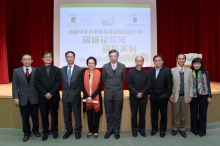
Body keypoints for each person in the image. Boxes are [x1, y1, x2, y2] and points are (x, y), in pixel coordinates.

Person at [12, 54, 41, 142]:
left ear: (32, 61)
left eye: (29, 59)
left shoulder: (36, 70)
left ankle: (35, 131)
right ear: (22, 61)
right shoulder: (16, 71)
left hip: (34, 97)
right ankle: (26, 133)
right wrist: (15, 98)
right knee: (24, 117)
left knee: (35, 116)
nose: (27, 61)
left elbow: (39, 85)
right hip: (22, 98)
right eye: (25, 59)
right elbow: (14, 86)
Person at [34, 51, 61, 141]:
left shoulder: (57, 70)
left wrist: (51, 93)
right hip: (42, 97)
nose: (48, 58)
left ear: (52, 59)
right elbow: (37, 84)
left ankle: (54, 130)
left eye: (50, 57)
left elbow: (58, 83)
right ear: (42, 59)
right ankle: (45, 131)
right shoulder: (38, 70)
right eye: (46, 57)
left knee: (54, 115)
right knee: (44, 115)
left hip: (54, 97)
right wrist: (45, 93)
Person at [102, 49, 126, 139]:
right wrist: (110, 86)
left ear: (117, 57)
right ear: (109, 57)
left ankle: (116, 131)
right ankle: (109, 131)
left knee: (117, 113)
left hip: (118, 93)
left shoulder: (122, 66)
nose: (113, 58)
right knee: (108, 114)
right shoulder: (105, 66)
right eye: (111, 56)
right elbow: (104, 79)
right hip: (108, 93)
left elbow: (123, 79)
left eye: (114, 56)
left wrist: (116, 86)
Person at [60, 51, 83, 139]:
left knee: (77, 115)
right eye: (68, 57)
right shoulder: (62, 70)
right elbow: (62, 82)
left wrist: (77, 92)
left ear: (74, 58)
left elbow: (81, 84)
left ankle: (77, 131)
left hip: (75, 96)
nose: (69, 58)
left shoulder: (79, 69)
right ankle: (69, 130)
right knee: (66, 115)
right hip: (66, 96)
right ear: (66, 58)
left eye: (71, 57)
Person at [149, 55, 173, 138]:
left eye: (159, 60)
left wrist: (167, 95)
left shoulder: (167, 70)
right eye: (156, 60)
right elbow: (149, 84)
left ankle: (163, 129)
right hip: (154, 96)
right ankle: (154, 129)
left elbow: (170, 85)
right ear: (154, 62)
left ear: (162, 61)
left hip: (163, 97)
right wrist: (149, 93)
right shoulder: (151, 71)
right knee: (154, 114)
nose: (157, 62)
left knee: (163, 114)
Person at [170, 54, 193, 138]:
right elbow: (170, 84)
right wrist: (171, 95)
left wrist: (190, 95)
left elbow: (191, 84)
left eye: (183, 59)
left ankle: (182, 129)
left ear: (185, 60)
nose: (181, 60)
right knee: (175, 114)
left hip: (186, 97)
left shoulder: (189, 71)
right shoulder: (172, 70)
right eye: (179, 59)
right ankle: (175, 128)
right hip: (175, 96)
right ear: (177, 60)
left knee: (184, 115)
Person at [127, 56, 151, 137]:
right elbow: (129, 84)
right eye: (137, 61)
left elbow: (148, 84)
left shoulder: (147, 73)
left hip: (143, 98)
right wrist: (136, 93)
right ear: (135, 62)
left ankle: (142, 129)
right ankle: (134, 130)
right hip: (134, 97)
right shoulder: (130, 72)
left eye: (141, 61)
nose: (139, 62)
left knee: (142, 114)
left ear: (143, 62)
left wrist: (142, 93)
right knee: (134, 115)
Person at [190, 57, 212, 137]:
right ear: (192, 64)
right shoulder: (190, 72)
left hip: (203, 96)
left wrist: (209, 96)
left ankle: (202, 130)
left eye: (198, 63)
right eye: (195, 63)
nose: (196, 65)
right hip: (193, 96)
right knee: (194, 113)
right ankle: (194, 129)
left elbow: (208, 85)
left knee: (203, 113)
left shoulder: (205, 72)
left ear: (201, 64)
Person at [82, 56, 103, 139]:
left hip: (96, 97)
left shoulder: (99, 73)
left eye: (92, 63)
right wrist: (88, 97)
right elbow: (82, 86)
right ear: (87, 64)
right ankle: (90, 130)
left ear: (95, 64)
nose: (91, 64)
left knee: (96, 116)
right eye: (89, 63)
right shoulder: (84, 73)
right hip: (87, 98)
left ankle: (96, 131)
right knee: (89, 116)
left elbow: (100, 87)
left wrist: (92, 96)